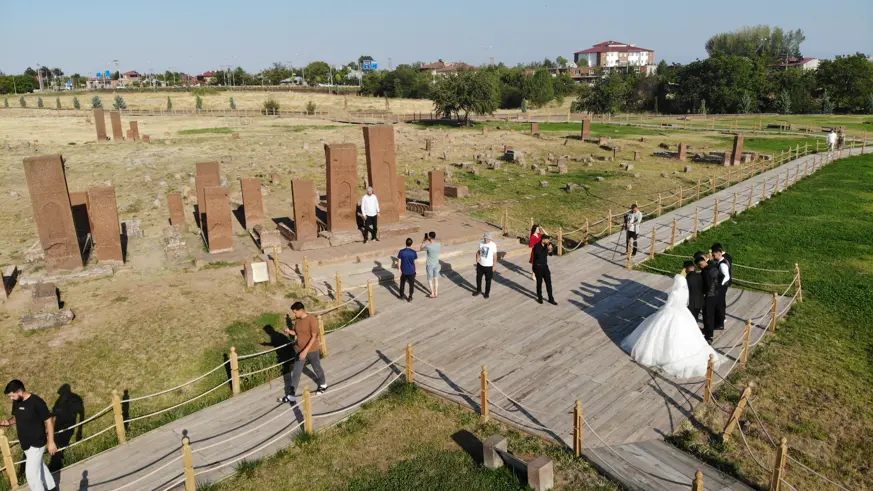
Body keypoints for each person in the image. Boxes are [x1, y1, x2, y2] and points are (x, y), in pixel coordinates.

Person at [620, 275, 720, 378]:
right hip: (683, 313)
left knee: (660, 331)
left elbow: (669, 304)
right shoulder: (685, 291)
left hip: (671, 312)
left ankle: (662, 357)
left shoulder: (675, 293)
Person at [2, 380, 57, 491]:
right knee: (40, 468)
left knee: (32, 476)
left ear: (19, 391)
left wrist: (51, 442)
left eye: (12, 396)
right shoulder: (17, 401)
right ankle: (52, 488)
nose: (11, 398)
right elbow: (17, 417)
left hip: (37, 443)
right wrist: (8, 423)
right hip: (26, 444)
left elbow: (49, 421)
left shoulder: (36, 402)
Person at [280, 302, 327, 405]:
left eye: (295, 312)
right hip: (299, 350)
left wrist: (305, 351)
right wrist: (289, 331)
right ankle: (291, 395)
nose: (294, 315)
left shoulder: (312, 320)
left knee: (317, 368)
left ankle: (323, 384)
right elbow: (297, 333)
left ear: (301, 310)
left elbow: (314, 336)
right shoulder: (297, 320)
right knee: (296, 372)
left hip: (312, 350)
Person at [711, 244, 732, 331]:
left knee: (719, 304)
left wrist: (720, 285)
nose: (713, 256)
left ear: (719, 253)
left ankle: (720, 324)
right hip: (722, 286)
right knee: (720, 304)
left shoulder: (722, 264)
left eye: (714, 254)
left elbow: (727, 276)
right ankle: (720, 320)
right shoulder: (722, 262)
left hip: (721, 287)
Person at [532, 235, 557, 305]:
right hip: (538, 267)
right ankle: (540, 298)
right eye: (547, 240)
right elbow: (539, 255)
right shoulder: (536, 246)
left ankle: (551, 298)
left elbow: (551, 254)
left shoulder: (547, 245)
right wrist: (547, 249)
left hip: (545, 267)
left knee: (548, 283)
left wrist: (551, 249)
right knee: (539, 283)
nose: (548, 241)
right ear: (543, 239)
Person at [701, 257, 721, 344]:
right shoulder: (714, 267)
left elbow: (707, 285)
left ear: (701, 264)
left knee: (707, 316)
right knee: (711, 315)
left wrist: (703, 292)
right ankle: (710, 332)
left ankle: (708, 336)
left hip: (708, 296)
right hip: (715, 295)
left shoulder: (705, 272)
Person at [472, 232, 498, 299]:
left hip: (489, 266)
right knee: (478, 279)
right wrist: (477, 257)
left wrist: (494, 265)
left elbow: (495, 256)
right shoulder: (481, 243)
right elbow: (478, 252)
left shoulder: (493, 245)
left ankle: (486, 293)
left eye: (487, 239)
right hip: (480, 265)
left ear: (490, 239)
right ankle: (478, 290)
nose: (486, 240)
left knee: (488, 280)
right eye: (485, 238)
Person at [419, 232, 441, 298]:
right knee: (436, 278)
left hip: (429, 264)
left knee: (430, 279)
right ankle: (436, 293)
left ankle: (432, 293)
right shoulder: (438, 244)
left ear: (429, 237)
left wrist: (423, 241)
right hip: (436, 263)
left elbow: (420, 249)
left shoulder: (428, 246)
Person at [397, 238, 417, 302]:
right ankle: (410, 297)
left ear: (405, 243)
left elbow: (399, 261)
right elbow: (415, 262)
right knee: (411, 285)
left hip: (404, 271)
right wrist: (415, 270)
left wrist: (399, 269)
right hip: (411, 271)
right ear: (411, 244)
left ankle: (401, 295)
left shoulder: (401, 252)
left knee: (402, 283)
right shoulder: (414, 252)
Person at [685, 259, 705, 323]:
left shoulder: (687, 278)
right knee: (695, 317)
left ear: (686, 268)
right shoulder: (700, 276)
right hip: (700, 301)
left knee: (691, 319)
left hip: (691, 302)